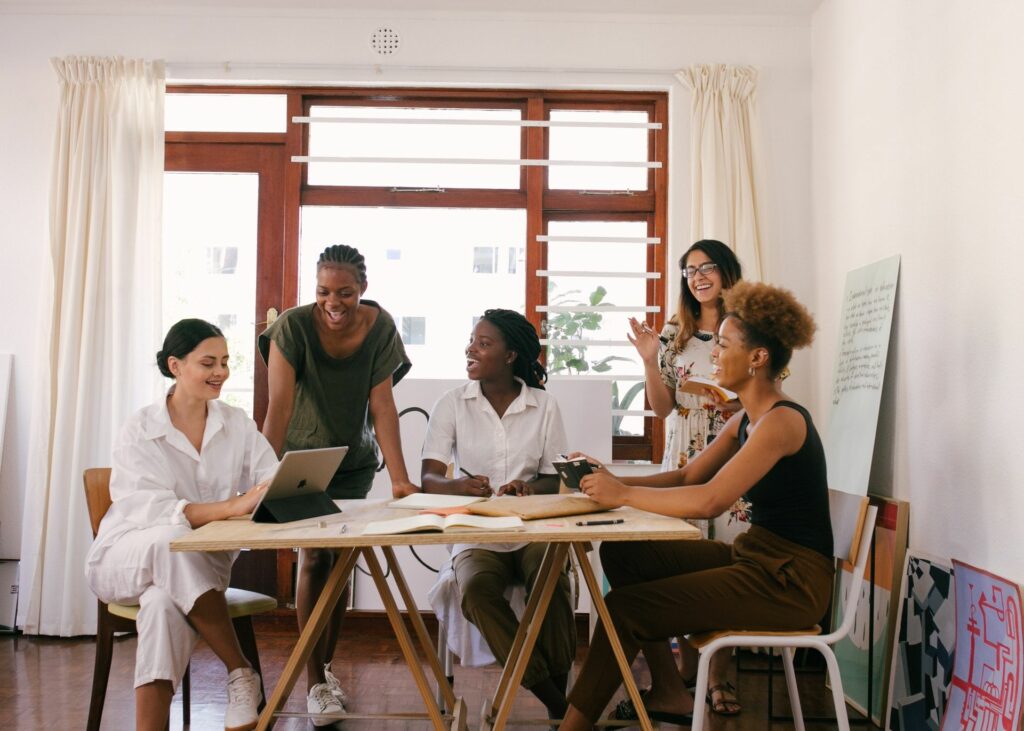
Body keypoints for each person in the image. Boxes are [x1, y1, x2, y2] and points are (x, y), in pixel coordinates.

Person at [559, 281, 833, 729]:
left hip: (790, 584)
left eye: (724, 345)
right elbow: (689, 476)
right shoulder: (748, 418)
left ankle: (573, 726)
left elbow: (709, 501)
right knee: (624, 553)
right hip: (756, 559)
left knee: (625, 609)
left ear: (758, 358)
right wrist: (607, 479)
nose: (715, 355)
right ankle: (668, 691)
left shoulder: (782, 422)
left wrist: (624, 496)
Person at [85, 319, 278, 731]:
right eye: (208, 362)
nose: (221, 372)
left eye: (225, 362)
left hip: (198, 568)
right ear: (175, 365)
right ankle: (240, 671)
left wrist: (273, 491)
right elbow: (152, 510)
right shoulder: (140, 428)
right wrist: (230, 506)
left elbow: (270, 476)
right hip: (125, 556)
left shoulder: (236, 423)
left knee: (160, 606)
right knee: (170, 540)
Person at [259, 244, 416, 725]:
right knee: (315, 558)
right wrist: (262, 477)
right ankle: (313, 683)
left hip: (352, 463)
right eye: (324, 291)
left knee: (342, 566)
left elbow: (382, 407)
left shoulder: (381, 328)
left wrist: (400, 479)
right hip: (302, 460)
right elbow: (279, 408)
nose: (334, 302)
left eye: (345, 292)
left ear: (362, 290)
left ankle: (324, 672)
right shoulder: (291, 327)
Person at [421, 309, 574, 721]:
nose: (471, 349)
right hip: (476, 532)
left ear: (510, 356)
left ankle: (560, 713)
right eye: (472, 340)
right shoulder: (451, 404)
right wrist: (459, 487)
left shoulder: (543, 405)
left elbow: (552, 479)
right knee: (474, 591)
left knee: (553, 584)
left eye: (483, 343)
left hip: (530, 530)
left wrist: (527, 488)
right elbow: (429, 479)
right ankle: (561, 708)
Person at [624, 239, 744, 716]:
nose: (698, 277)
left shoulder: (748, 328)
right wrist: (650, 359)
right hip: (685, 450)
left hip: (734, 446)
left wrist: (733, 403)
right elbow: (662, 408)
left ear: (727, 273)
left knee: (728, 566)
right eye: (690, 270)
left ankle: (721, 676)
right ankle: (688, 671)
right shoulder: (677, 332)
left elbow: (769, 392)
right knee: (685, 559)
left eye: (707, 267)